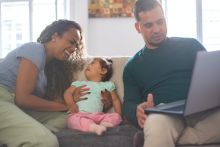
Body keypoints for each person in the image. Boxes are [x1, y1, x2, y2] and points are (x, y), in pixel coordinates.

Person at [122, 0, 220, 147]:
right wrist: (136, 111)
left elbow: (212, 79)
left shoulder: (192, 45)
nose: (157, 29)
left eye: (160, 22)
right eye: (149, 25)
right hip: (165, 116)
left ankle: (177, 138)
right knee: (155, 124)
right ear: (138, 27)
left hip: (203, 112)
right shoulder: (132, 67)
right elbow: (129, 102)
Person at [0, 19, 112, 147]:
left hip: (16, 106)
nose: (74, 48)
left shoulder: (46, 71)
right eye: (71, 42)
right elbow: (23, 98)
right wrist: (66, 105)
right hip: (3, 98)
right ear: (55, 36)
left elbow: (41, 103)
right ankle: (38, 137)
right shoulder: (34, 49)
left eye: (76, 45)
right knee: (46, 141)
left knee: (67, 118)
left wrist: (97, 105)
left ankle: (32, 134)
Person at [64, 57, 122, 135]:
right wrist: (71, 105)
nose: (88, 64)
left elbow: (115, 100)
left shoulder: (108, 85)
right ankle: (93, 127)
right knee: (71, 119)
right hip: (79, 114)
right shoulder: (79, 83)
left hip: (98, 116)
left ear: (103, 70)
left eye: (92, 63)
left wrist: (119, 115)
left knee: (116, 117)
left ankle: (105, 125)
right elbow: (67, 93)